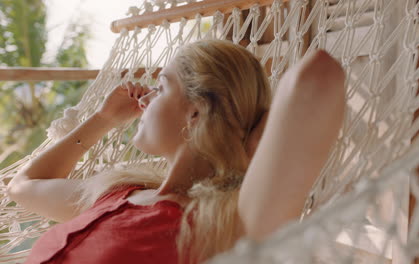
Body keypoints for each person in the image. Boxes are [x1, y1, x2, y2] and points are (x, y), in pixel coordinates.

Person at [7, 39, 345, 264]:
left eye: (161, 86)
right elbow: (23, 186)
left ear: (196, 112)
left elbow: (318, 75)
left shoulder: (227, 221)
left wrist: (250, 139)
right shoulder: (119, 192)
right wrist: (103, 119)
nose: (143, 100)